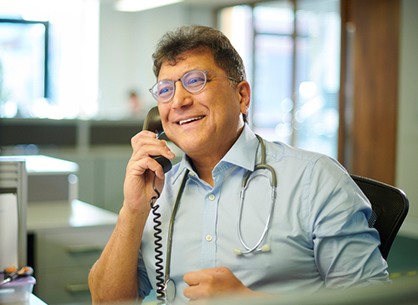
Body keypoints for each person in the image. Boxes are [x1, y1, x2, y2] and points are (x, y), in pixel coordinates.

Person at [88, 25, 389, 304]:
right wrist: (133, 210)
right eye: (165, 89)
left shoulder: (315, 180)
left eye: (195, 81)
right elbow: (105, 301)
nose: (178, 101)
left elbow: (373, 300)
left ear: (242, 96)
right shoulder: (156, 192)